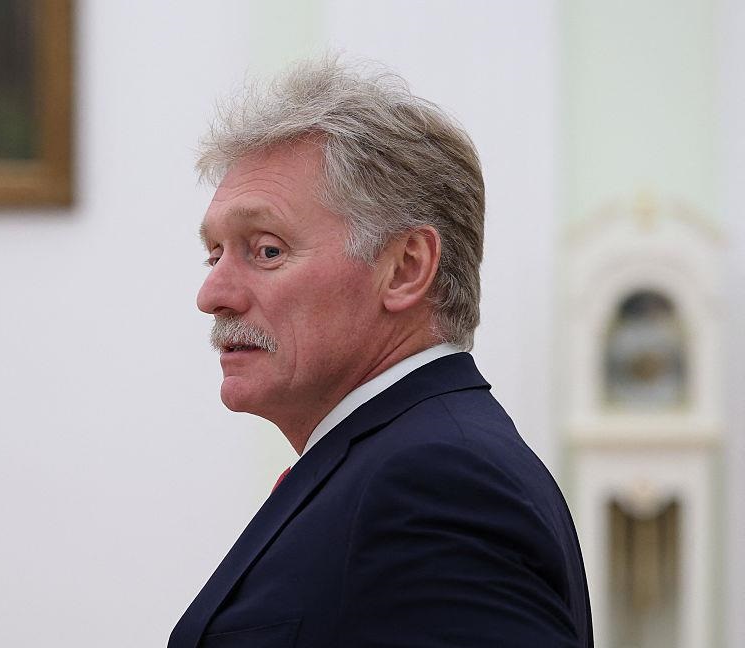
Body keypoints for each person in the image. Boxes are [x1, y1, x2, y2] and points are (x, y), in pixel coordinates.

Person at [169, 57, 592, 648]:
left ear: (405, 268)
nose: (212, 295)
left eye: (266, 250)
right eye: (214, 255)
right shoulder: (396, 464)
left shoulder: (437, 484)